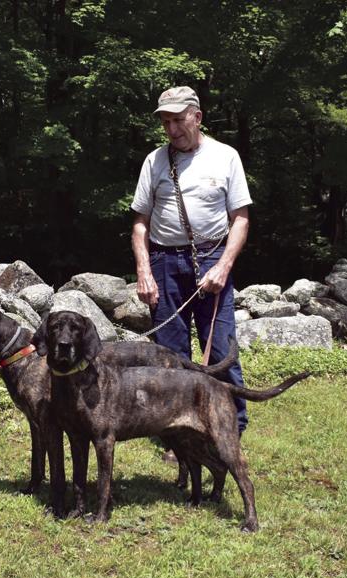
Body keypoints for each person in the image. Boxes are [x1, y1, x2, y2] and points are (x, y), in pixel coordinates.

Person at [130, 86, 251, 445]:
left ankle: (232, 429)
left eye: (178, 121)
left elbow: (241, 219)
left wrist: (224, 266)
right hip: (164, 261)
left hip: (212, 257)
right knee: (169, 357)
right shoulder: (154, 161)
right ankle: (177, 436)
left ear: (197, 117)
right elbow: (139, 223)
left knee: (220, 350)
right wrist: (143, 271)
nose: (171, 129)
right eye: (165, 122)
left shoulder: (226, 157)